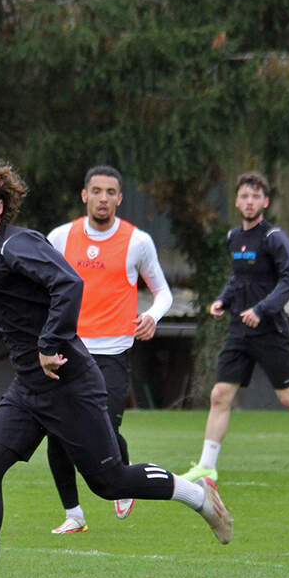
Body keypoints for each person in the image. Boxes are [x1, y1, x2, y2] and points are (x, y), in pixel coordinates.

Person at [0, 155, 233, 578]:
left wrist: (50, 342)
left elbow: (68, 283)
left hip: (68, 382)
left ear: (0, 205)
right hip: (29, 389)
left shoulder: (17, 245)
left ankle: (198, 495)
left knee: (111, 482)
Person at [181, 171, 289, 487]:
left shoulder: (274, 238)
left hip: (269, 330)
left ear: (265, 202)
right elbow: (238, 278)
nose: (249, 201)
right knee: (220, 394)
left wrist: (261, 309)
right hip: (239, 330)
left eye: (255, 196)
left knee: (288, 397)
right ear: (237, 201)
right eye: (244, 196)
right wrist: (223, 301)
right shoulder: (233, 238)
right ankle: (207, 467)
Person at [45, 165, 173, 534]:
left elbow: (163, 291)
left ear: (120, 198)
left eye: (110, 192)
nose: (103, 198)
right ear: (84, 195)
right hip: (68, 348)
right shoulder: (59, 238)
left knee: (102, 425)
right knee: (58, 431)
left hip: (114, 351)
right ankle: (74, 515)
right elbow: (44, 286)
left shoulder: (138, 241)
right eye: (96, 191)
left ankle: (124, 474)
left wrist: (151, 316)